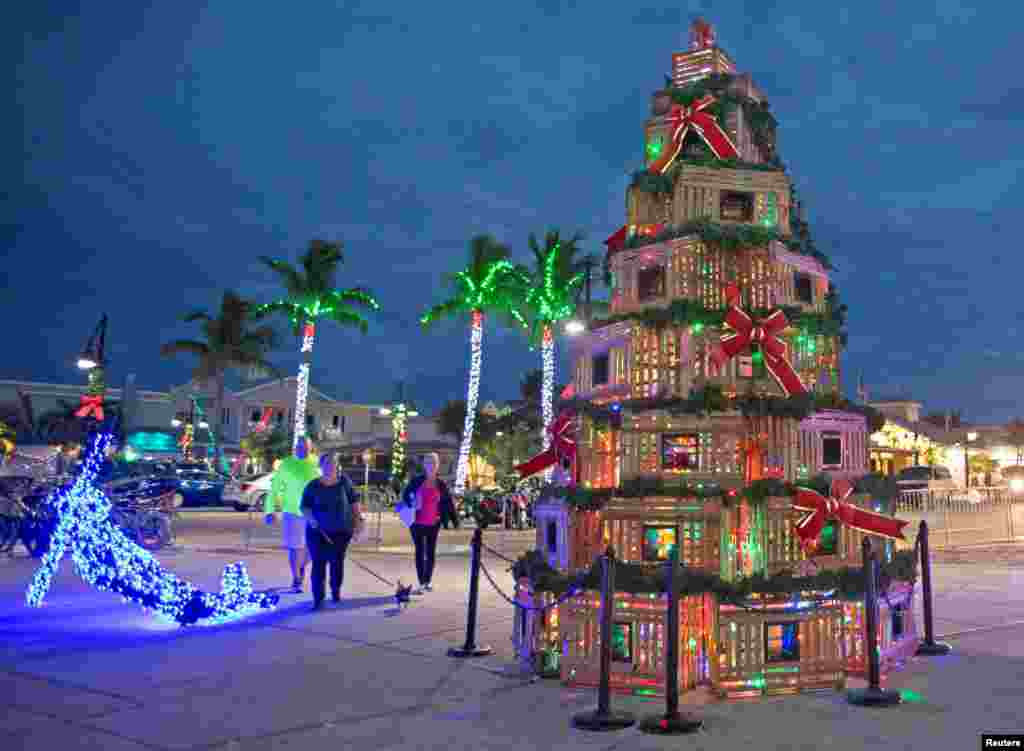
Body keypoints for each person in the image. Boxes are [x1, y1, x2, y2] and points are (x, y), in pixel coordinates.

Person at [300, 452, 363, 611]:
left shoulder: (344, 483)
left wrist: (357, 524)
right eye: (326, 463)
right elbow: (304, 507)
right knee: (318, 565)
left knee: (336, 563)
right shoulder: (313, 485)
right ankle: (318, 599)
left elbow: (354, 504)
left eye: (333, 463)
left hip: (341, 532)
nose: (330, 466)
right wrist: (311, 519)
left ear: (337, 466)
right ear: (320, 466)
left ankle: (335, 590)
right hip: (317, 533)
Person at [264, 437, 320, 593]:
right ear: (295, 448)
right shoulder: (286, 464)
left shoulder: (317, 464)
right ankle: (296, 579)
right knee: (295, 548)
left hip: (313, 513)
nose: (302, 450)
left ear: (311, 448)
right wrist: (269, 510)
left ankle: (301, 566)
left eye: (305, 447)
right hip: (292, 512)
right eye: (299, 447)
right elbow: (274, 488)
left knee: (313, 549)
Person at [400, 452, 459, 594]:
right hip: (417, 523)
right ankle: (421, 582)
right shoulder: (416, 481)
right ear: (423, 465)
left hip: (434, 522)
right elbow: (405, 495)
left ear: (437, 465)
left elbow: (448, 502)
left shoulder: (441, 484)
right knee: (420, 550)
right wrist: (413, 501)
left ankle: (427, 581)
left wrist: (455, 521)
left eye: (433, 463)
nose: (430, 466)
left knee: (431, 552)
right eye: (427, 463)